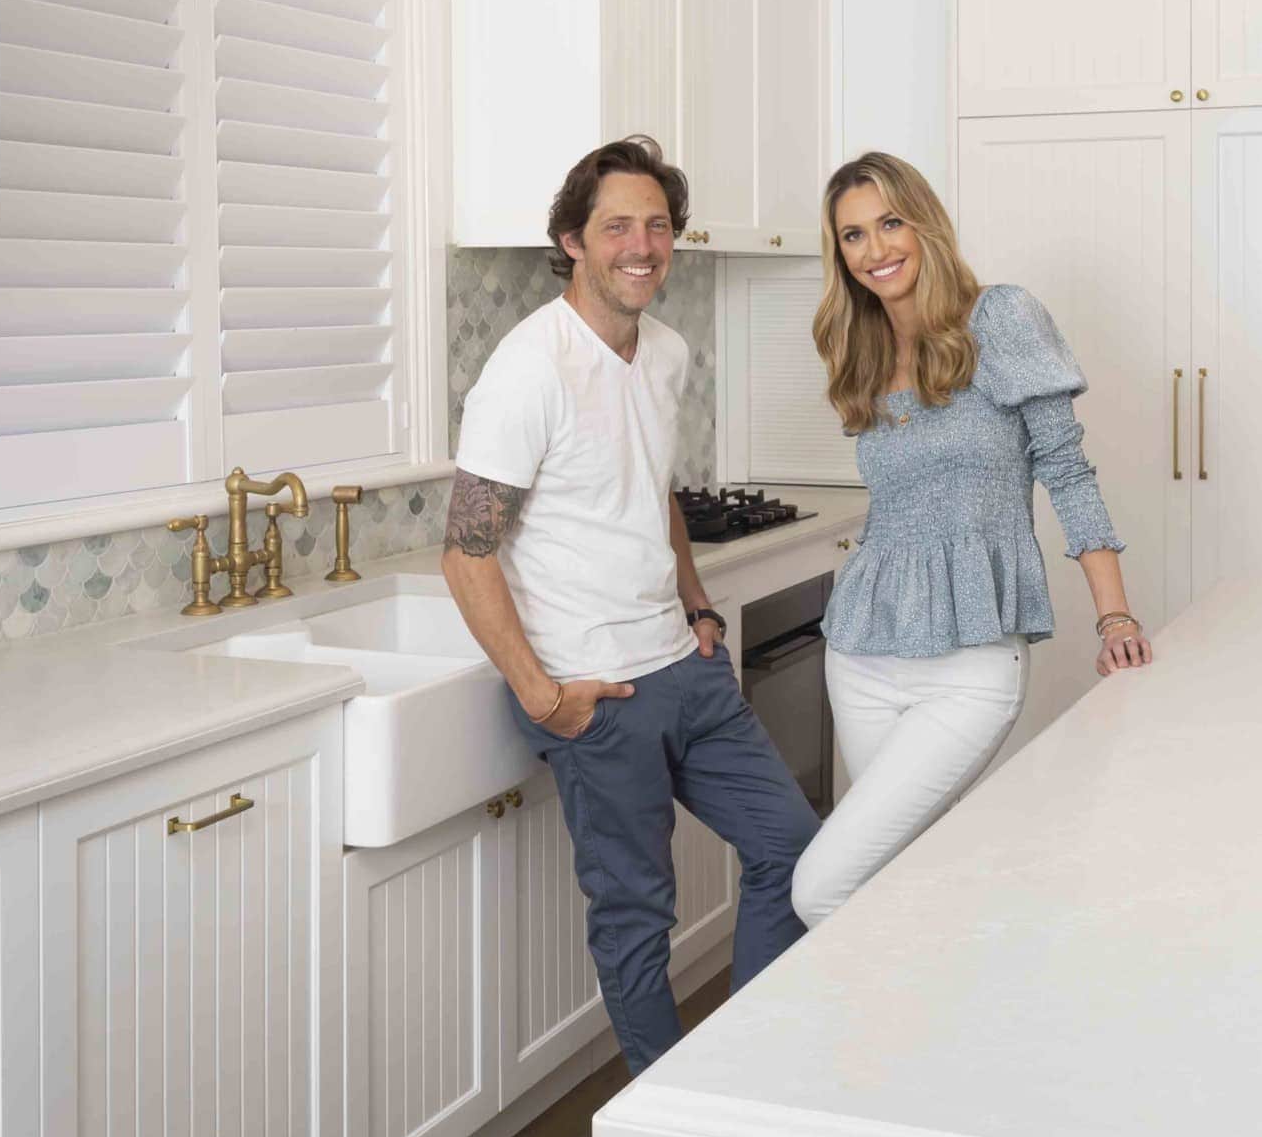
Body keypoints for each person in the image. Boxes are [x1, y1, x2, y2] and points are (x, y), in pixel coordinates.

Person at [442, 134, 819, 1073]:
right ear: (572, 239)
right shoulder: (529, 369)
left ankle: (738, 1072)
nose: (640, 245)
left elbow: (652, 488)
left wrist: (699, 609)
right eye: (616, 226)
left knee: (796, 851)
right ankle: (669, 1112)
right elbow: (464, 551)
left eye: (657, 225)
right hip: (597, 690)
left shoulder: (665, 352)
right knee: (637, 911)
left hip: (683, 665)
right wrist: (542, 696)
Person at [793, 150, 1152, 928]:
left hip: (968, 665)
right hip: (861, 652)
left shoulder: (999, 318)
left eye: (890, 223)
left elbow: (1065, 469)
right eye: (852, 236)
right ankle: (921, 1039)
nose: (876, 249)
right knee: (901, 876)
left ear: (923, 223)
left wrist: (1114, 617)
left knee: (820, 889)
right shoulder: (857, 348)